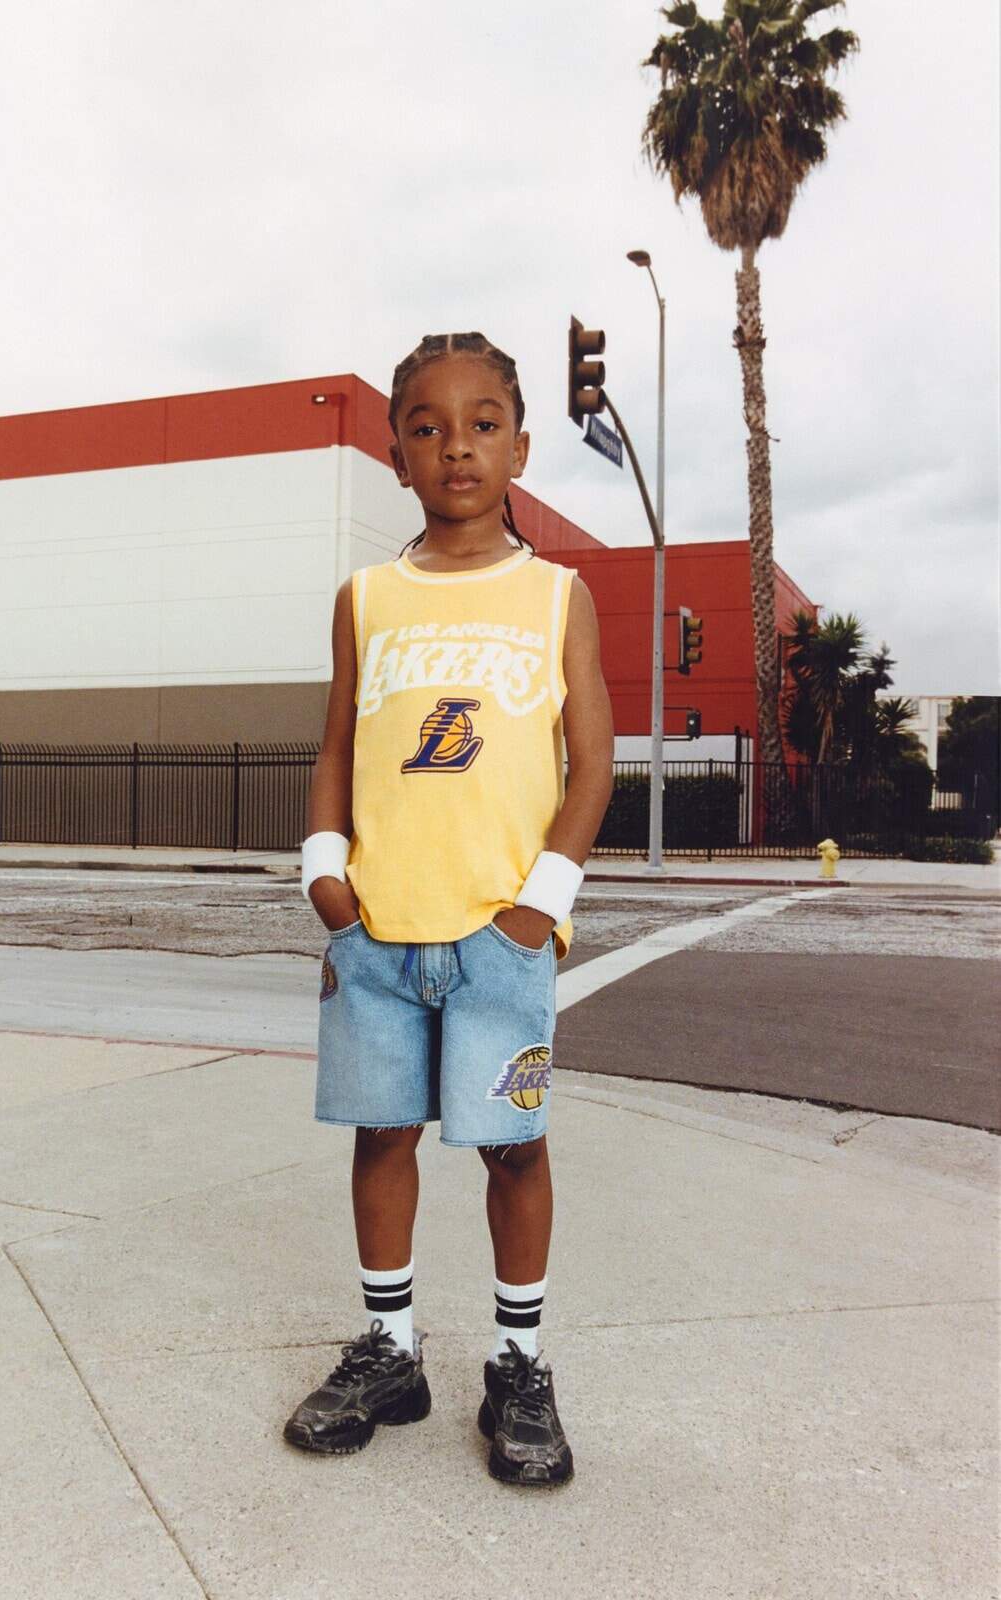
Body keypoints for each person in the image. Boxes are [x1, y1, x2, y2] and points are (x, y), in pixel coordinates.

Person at [283, 331, 613, 1487]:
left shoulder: (554, 593)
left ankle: (517, 1364)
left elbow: (593, 763)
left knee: (512, 1145)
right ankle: (390, 1348)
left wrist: (539, 905)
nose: (455, 443)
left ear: (519, 446)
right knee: (383, 1132)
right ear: (395, 455)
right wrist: (327, 877)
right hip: (376, 929)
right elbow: (334, 743)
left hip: (497, 934)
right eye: (426, 424)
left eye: (481, 423)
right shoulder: (366, 599)